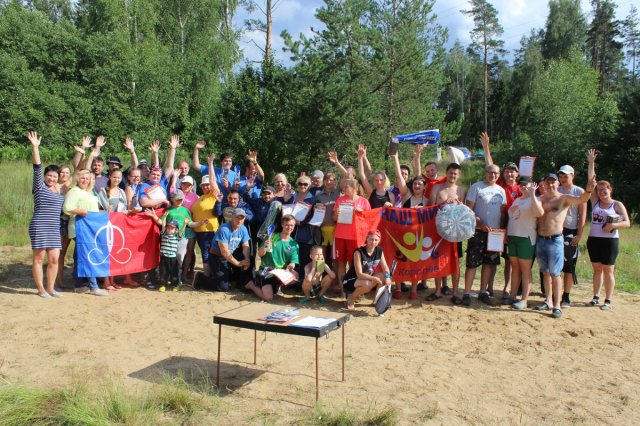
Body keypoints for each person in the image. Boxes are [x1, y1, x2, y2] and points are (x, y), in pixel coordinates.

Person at [536, 171, 594, 318]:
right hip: (541, 239)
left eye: (553, 181)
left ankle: (557, 305)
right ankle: (548, 300)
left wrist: (588, 190)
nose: (550, 184)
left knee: (555, 273)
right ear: (544, 184)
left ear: (558, 183)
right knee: (545, 272)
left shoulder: (563, 199)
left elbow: (582, 199)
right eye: (547, 182)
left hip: (555, 239)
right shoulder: (540, 199)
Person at [586, 149, 630, 310]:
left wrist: (613, 225)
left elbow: (627, 223)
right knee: (597, 269)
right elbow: (591, 180)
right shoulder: (595, 202)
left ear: (610, 189)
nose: (602, 192)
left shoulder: (616, 204)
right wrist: (591, 162)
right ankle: (595, 296)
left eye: (605, 189)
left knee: (608, 270)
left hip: (610, 241)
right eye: (599, 190)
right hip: (594, 239)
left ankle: (608, 300)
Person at [480, 132, 522, 300]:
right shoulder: (499, 185)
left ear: (517, 174)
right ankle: (489, 287)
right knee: (493, 258)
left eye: (513, 172)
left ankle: (506, 289)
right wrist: (486, 147)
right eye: (507, 171)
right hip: (498, 227)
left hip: (513, 228)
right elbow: (490, 166)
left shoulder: (522, 189)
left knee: (510, 261)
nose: (509, 174)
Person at [462, 164, 507, 307]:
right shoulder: (476, 187)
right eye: (490, 172)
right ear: (485, 173)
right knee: (472, 263)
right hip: (478, 231)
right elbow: (468, 209)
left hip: (495, 233)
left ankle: (483, 292)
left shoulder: (501, 190)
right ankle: (466, 293)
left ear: (499, 175)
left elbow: (502, 212)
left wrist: (502, 231)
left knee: (489, 263)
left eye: (496, 173)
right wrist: (480, 223)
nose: (493, 175)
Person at [27, 131, 65, 298]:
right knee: (39, 258)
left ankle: (51, 288)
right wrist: (35, 147)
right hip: (40, 226)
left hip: (54, 228)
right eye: (49, 175)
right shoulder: (39, 186)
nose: (51, 178)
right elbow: (37, 167)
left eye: (55, 176)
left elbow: (77, 173)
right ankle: (41, 289)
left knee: (54, 259)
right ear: (45, 176)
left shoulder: (60, 190)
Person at [63, 169, 108, 296]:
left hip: (90, 228)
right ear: (78, 179)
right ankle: (94, 286)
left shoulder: (89, 192)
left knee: (79, 256)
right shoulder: (74, 191)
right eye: (82, 178)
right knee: (89, 255)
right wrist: (81, 211)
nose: (85, 180)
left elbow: (93, 210)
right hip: (80, 228)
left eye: (87, 179)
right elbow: (67, 207)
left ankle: (79, 285)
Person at [428, 163, 467, 303]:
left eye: (455, 173)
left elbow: (465, 212)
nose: (452, 175)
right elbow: (430, 209)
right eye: (450, 173)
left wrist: (459, 205)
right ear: (446, 173)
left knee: (455, 262)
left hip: (455, 232)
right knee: (438, 260)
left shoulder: (461, 190)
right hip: (439, 230)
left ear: (459, 175)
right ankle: (437, 291)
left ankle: (455, 293)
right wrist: (443, 205)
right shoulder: (437, 188)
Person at [506, 177, 544, 309]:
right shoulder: (517, 199)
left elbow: (539, 213)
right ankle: (512, 296)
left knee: (525, 269)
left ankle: (524, 299)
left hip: (526, 238)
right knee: (515, 268)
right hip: (513, 237)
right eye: (521, 184)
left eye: (525, 184)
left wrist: (533, 195)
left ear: (532, 185)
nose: (523, 186)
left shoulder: (535, 199)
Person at [245, 215, 299, 301]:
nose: (289, 227)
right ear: (282, 224)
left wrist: (290, 266)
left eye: (292, 225)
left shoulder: (294, 244)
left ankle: (277, 287)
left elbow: (293, 261)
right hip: (267, 269)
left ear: (294, 225)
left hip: (280, 271)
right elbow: (259, 254)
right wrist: (264, 247)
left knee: (295, 276)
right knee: (268, 297)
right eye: (287, 225)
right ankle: (251, 285)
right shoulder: (272, 237)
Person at [332, 178, 371, 296]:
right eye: (343, 187)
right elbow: (334, 218)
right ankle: (343, 290)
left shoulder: (364, 201)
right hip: (340, 235)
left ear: (354, 188)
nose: (343, 189)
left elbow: (369, 219)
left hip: (356, 237)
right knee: (341, 262)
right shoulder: (340, 199)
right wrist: (336, 215)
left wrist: (361, 213)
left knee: (353, 264)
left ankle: (352, 290)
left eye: (346, 187)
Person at [557, 164, 587, 308]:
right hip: (557, 230)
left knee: (569, 265)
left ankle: (566, 296)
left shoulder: (579, 191)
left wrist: (579, 234)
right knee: (556, 264)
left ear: (572, 176)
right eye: (561, 176)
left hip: (571, 230)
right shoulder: (557, 190)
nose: (563, 179)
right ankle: (553, 294)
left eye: (566, 176)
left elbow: (583, 215)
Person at [343, 229, 392, 310]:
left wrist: (387, 277)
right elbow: (359, 274)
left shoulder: (379, 250)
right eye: (371, 239)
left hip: (366, 279)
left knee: (385, 276)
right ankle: (351, 299)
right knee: (367, 284)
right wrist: (374, 278)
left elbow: (385, 268)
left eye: (376, 240)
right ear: (366, 239)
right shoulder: (358, 252)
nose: (373, 242)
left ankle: (375, 301)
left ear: (379, 241)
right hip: (350, 281)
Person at [207, 208, 252, 291]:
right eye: (237, 217)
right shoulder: (224, 229)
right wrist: (238, 263)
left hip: (230, 255)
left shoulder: (243, 229)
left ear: (244, 219)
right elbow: (224, 252)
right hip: (218, 256)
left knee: (248, 260)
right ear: (232, 217)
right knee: (223, 287)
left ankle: (236, 280)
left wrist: (247, 260)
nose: (239, 220)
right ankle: (200, 278)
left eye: (242, 218)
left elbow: (246, 246)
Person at [191, 156, 221, 277]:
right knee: (205, 253)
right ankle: (209, 276)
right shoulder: (200, 198)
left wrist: (210, 164)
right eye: (203, 185)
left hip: (209, 231)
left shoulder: (213, 195)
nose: (206, 187)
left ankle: (208, 277)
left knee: (207, 255)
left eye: (208, 185)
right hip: (199, 231)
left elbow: (213, 181)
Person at [55, 164, 73, 289]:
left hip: (68, 222)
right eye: (62, 172)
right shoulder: (53, 186)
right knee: (56, 253)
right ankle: (55, 281)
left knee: (63, 253)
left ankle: (60, 280)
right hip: (57, 222)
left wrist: (85, 155)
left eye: (67, 172)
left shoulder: (69, 187)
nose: (64, 174)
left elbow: (79, 170)